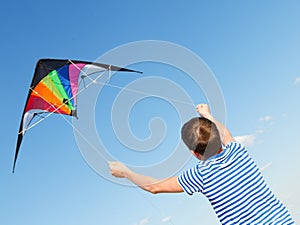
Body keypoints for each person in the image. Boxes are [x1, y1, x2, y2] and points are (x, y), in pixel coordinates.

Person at [109, 104, 295, 224]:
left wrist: (126, 172)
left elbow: (153, 187)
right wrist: (207, 115)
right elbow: (225, 134)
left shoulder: (200, 175)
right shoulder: (239, 152)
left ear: (195, 154)